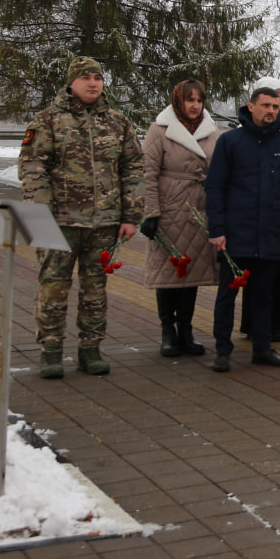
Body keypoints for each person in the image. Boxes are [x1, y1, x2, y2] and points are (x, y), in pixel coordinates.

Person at [19, 56, 144, 378]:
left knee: (95, 290)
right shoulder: (48, 120)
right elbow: (33, 166)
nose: (93, 83)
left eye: (98, 78)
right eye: (86, 77)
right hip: (59, 222)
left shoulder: (117, 122)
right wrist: (39, 212)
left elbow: (133, 168)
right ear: (71, 82)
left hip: (103, 224)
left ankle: (91, 349)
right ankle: (51, 350)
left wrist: (131, 215)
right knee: (53, 288)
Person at [205, 87, 280, 371]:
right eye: (265, 105)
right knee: (228, 294)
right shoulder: (230, 142)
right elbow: (215, 189)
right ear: (251, 107)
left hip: (272, 235)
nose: (271, 111)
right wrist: (217, 229)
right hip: (237, 234)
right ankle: (222, 350)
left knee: (264, 295)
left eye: (276, 106)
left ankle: (262, 347)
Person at [140, 79, 220, 359]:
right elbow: (148, 173)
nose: (195, 105)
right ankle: (167, 331)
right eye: (190, 100)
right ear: (178, 101)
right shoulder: (159, 130)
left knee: (191, 274)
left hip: (200, 210)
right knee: (168, 273)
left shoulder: (212, 132)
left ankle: (186, 329)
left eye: (199, 100)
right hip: (170, 209)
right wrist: (151, 212)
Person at [239, 75, 280, 343]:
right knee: (255, 277)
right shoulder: (245, 135)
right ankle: (253, 325)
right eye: (276, 95)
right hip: (254, 216)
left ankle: (276, 324)